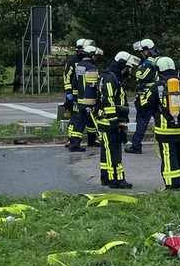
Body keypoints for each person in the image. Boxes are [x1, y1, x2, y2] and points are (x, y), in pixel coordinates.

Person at [151, 56, 180, 190]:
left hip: (165, 131)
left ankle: (172, 186)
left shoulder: (157, 87)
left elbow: (144, 105)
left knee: (169, 157)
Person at [96, 50, 134, 188]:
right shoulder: (111, 78)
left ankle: (106, 178)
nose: (128, 71)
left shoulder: (112, 77)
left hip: (108, 120)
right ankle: (117, 180)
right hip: (109, 121)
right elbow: (109, 101)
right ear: (121, 65)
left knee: (107, 151)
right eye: (127, 68)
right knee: (113, 151)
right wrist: (114, 122)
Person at [125, 39, 159, 154]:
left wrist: (138, 70)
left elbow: (142, 76)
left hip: (147, 96)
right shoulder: (159, 60)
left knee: (142, 121)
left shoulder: (149, 62)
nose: (141, 54)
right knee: (160, 120)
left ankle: (136, 146)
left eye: (142, 51)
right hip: (157, 95)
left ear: (147, 50)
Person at [66, 43, 100, 152]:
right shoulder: (91, 67)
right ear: (91, 55)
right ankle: (79, 144)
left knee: (80, 121)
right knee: (88, 121)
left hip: (81, 99)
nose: (96, 58)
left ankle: (75, 143)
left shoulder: (79, 65)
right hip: (89, 100)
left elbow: (75, 82)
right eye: (95, 56)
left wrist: (75, 97)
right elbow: (94, 85)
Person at [62, 38, 90, 132]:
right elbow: (67, 76)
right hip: (74, 94)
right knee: (75, 117)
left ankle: (92, 140)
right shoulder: (73, 61)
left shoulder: (88, 61)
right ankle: (71, 140)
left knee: (89, 118)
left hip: (86, 93)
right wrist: (69, 92)